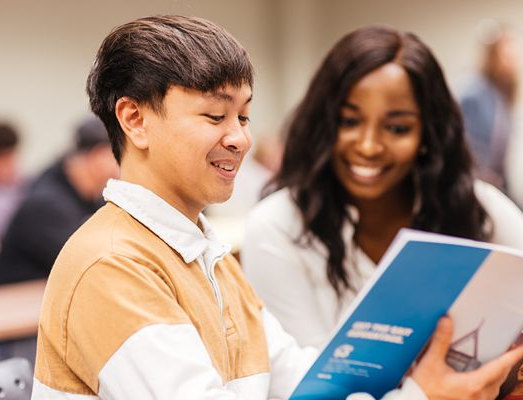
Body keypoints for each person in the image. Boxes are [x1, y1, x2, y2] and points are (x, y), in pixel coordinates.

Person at [32, 17, 523, 400]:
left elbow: (309, 382)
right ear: (134, 119)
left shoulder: (208, 257)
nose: (241, 139)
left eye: (243, 116)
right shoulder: (113, 265)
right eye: (214, 116)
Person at [241, 22, 523, 376]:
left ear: (427, 133)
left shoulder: (478, 206)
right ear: (324, 122)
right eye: (349, 121)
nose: (369, 146)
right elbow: (307, 383)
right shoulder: (277, 225)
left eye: (397, 128)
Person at [0, 117, 118, 287]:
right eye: (117, 154)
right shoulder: (45, 203)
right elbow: (87, 267)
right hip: (5, 304)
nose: (121, 164)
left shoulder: (90, 197)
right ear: (98, 156)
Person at [459, 23, 520, 193]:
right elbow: (468, 148)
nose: (513, 59)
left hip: (498, 185)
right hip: (478, 186)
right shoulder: (474, 92)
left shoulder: (500, 93)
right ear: (493, 55)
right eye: (506, 53)